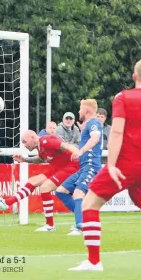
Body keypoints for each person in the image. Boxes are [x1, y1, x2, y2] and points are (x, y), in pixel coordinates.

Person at [69, 59, 141, 271]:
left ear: (134, 76)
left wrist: (111, 164)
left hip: (124, 165)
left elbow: (117, 131)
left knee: (89, 204)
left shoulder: (123, 97)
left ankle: (94, 261)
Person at [0, 130, 79, 231]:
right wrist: (25, 160)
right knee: (33, 181)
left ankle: (51, 225)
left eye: (25, 141)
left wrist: (77, 153)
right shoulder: (40, 147)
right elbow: (40, 159)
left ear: (32, 138)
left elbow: (66, 146)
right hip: (58, 168)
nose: (24, 145)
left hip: (71, 167)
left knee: (45, 188)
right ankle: (7, 202)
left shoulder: (47, 141)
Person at [55, 99, 102, 236]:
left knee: (77, 194)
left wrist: (80, 151)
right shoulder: (88, 125)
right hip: (84, 167)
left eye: (80, 109)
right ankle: (85, 219)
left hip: (91, 165)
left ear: (86, 111)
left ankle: (81, 226)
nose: (79, 111)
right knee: (61, 191)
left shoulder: (93, 123)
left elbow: (95, 139)